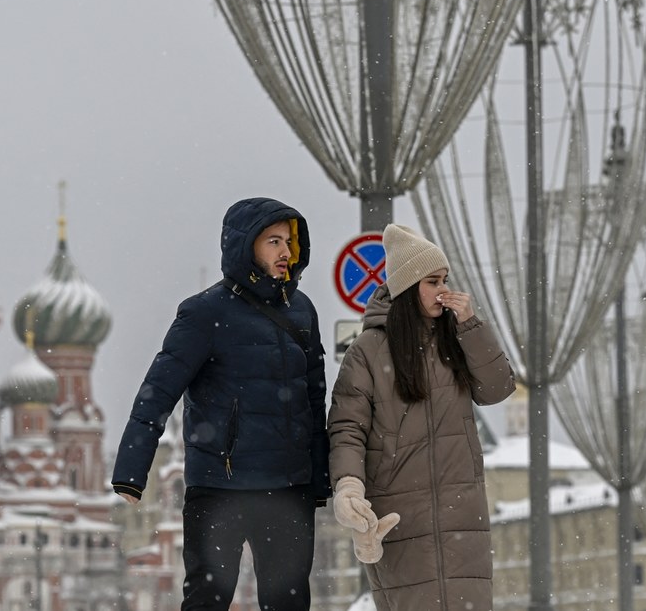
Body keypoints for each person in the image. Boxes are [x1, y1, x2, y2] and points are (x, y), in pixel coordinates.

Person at [111, 197, 331, 611]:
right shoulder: (204, 313)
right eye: (273, 241)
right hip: (219, 487)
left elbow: (313, 400)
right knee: (207, 601)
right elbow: (158, 391)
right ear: (246, 246)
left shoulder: (301, 311)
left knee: (288, 603)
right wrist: (131, 471)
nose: (286, 252)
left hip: (287, 490)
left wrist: (318, 478)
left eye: (289, 241)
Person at [327, 223, 515, 611]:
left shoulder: (456, 339)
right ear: (409, 286)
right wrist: (348, 486)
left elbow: (497, 388)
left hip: (462, 516)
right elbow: (348, 427)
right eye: (433, 281)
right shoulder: (368, 350)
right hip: (400, 517)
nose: (443, 289)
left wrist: (471, 326)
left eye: (445, 279)